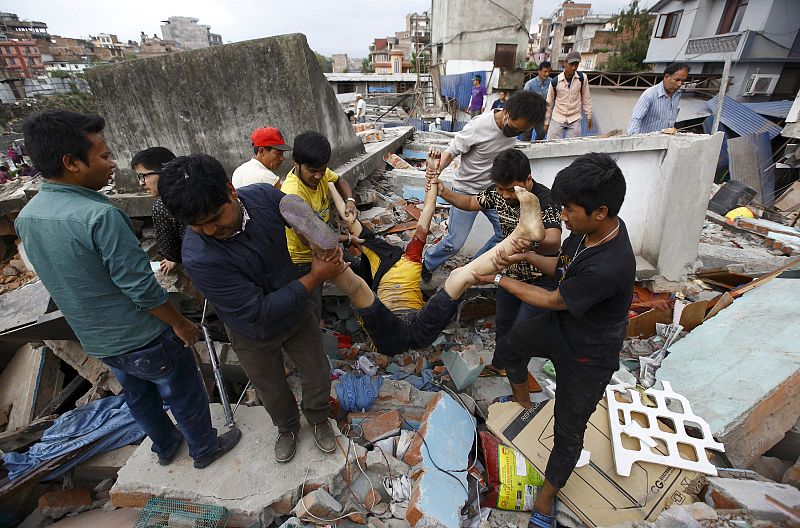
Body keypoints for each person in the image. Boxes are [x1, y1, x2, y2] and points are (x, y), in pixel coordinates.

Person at [15, 110, 240, 470]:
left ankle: (165, 447)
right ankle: (204, 449)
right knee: (183, 391)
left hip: (98, 339)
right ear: (71, 162)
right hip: (143, 335)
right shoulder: (101, 217)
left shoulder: (28, 216)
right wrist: (180, 324)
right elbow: (141, 289)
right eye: (104, 155)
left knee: (138, 395)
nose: (111, 163)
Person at [474, 152, 635, 528]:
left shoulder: (611, 262)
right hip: (563, 323)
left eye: (569, 209)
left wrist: (496, 278)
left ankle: (545, 501)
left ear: (600, 211)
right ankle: (523, 404)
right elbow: (558, 267)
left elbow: (551, 298)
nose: (561, 216)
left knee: (568, 429)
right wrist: (524, 253)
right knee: (509, 348)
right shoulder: (585, 233)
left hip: (589, 351)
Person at [158, 154, 346, 463]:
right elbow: (258, 310)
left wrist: (311, 234)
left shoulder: (262, 195)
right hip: (252, 330)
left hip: (297, 314)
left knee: (317, 373)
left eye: (215, 217)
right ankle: (286, 427)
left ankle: (317, 417)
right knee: (270, 387)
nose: (209, 230)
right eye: (197, 225)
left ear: (231, 191)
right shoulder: (199, 257)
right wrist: (315, 276)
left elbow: (293, 210)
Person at [278, 150, 546, 357]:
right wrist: (431, 176)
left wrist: (337, 193)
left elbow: (350, 218)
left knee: (356, 287)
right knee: (459, 278)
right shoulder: (410, 256)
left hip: (391, 333)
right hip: (419, 328)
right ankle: (519, 237)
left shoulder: (374, 250)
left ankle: (322, 250)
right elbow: (427, 212)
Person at [430, 149, 562, 375]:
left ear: (528, 179)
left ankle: (518, 380)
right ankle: (500, 366)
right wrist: (444, 191)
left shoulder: (545, 200)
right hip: (509, 272)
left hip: (539, 280)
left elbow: (554, 240)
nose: (506, 195)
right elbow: (471, 202)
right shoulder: (498, 192)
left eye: (511, 189)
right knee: (503, 324)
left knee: (522, 332)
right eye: (500, 189)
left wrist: (531, 244)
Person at [421, 90, 546, 281]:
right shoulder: (479, 126)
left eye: (522, 131)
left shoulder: (516, 128)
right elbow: (451, 151)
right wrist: (435, 172)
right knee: (454, 243)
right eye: (514, 129)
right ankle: (428, 264)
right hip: (466, 189)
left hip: (495, 193)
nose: (516, 134)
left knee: (508, 235)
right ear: (506, 113)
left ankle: (475, 267)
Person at [281, 131, 357, 319]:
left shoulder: (321, 172)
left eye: (322, 170)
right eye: (312, 171)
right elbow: (309, 241)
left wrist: (349, 200)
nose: (318, 176)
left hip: (326, 241)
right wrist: (347, 238)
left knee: (359, 268)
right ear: (296, 164)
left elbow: (340, 181)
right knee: (312, 308)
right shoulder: (292, 195)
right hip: (304, 258)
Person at [132, 147, 183, 274]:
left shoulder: (162, 206)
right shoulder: (198, 187)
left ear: (165, 171)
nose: (141, 183)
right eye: (139, 177)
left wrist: (172, 259)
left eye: (143, 176)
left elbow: (170, 252)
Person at [627, 63, 690, 135]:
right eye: (677, 80)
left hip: (665, 141)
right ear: (667, 77)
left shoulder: (677, 95)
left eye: (682, 81)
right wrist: (633, 140)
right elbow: (635, 119)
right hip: (647, 142)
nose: (679, 84)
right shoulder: (650, 94)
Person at [545, 51, 592, 140]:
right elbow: (549, 103)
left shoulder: (582, 78)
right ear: (565, 63)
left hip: (575, 117)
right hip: (558, 116)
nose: (574, 68)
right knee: (551, 144)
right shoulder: (555, 81)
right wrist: (546, 122)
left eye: (576, 65)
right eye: (571, 65)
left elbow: (586, 98)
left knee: (573, 146)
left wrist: (589, 115)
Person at [523, 61, 552, 140]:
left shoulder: (552, 83)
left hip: (542, 115)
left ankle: (536, 147)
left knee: (542, 133)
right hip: (529, 115)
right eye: (545, 71)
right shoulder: (530, 84)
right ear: (539, 71)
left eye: (549, 71)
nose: (547, 74)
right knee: (526, 136)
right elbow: (524, 100)